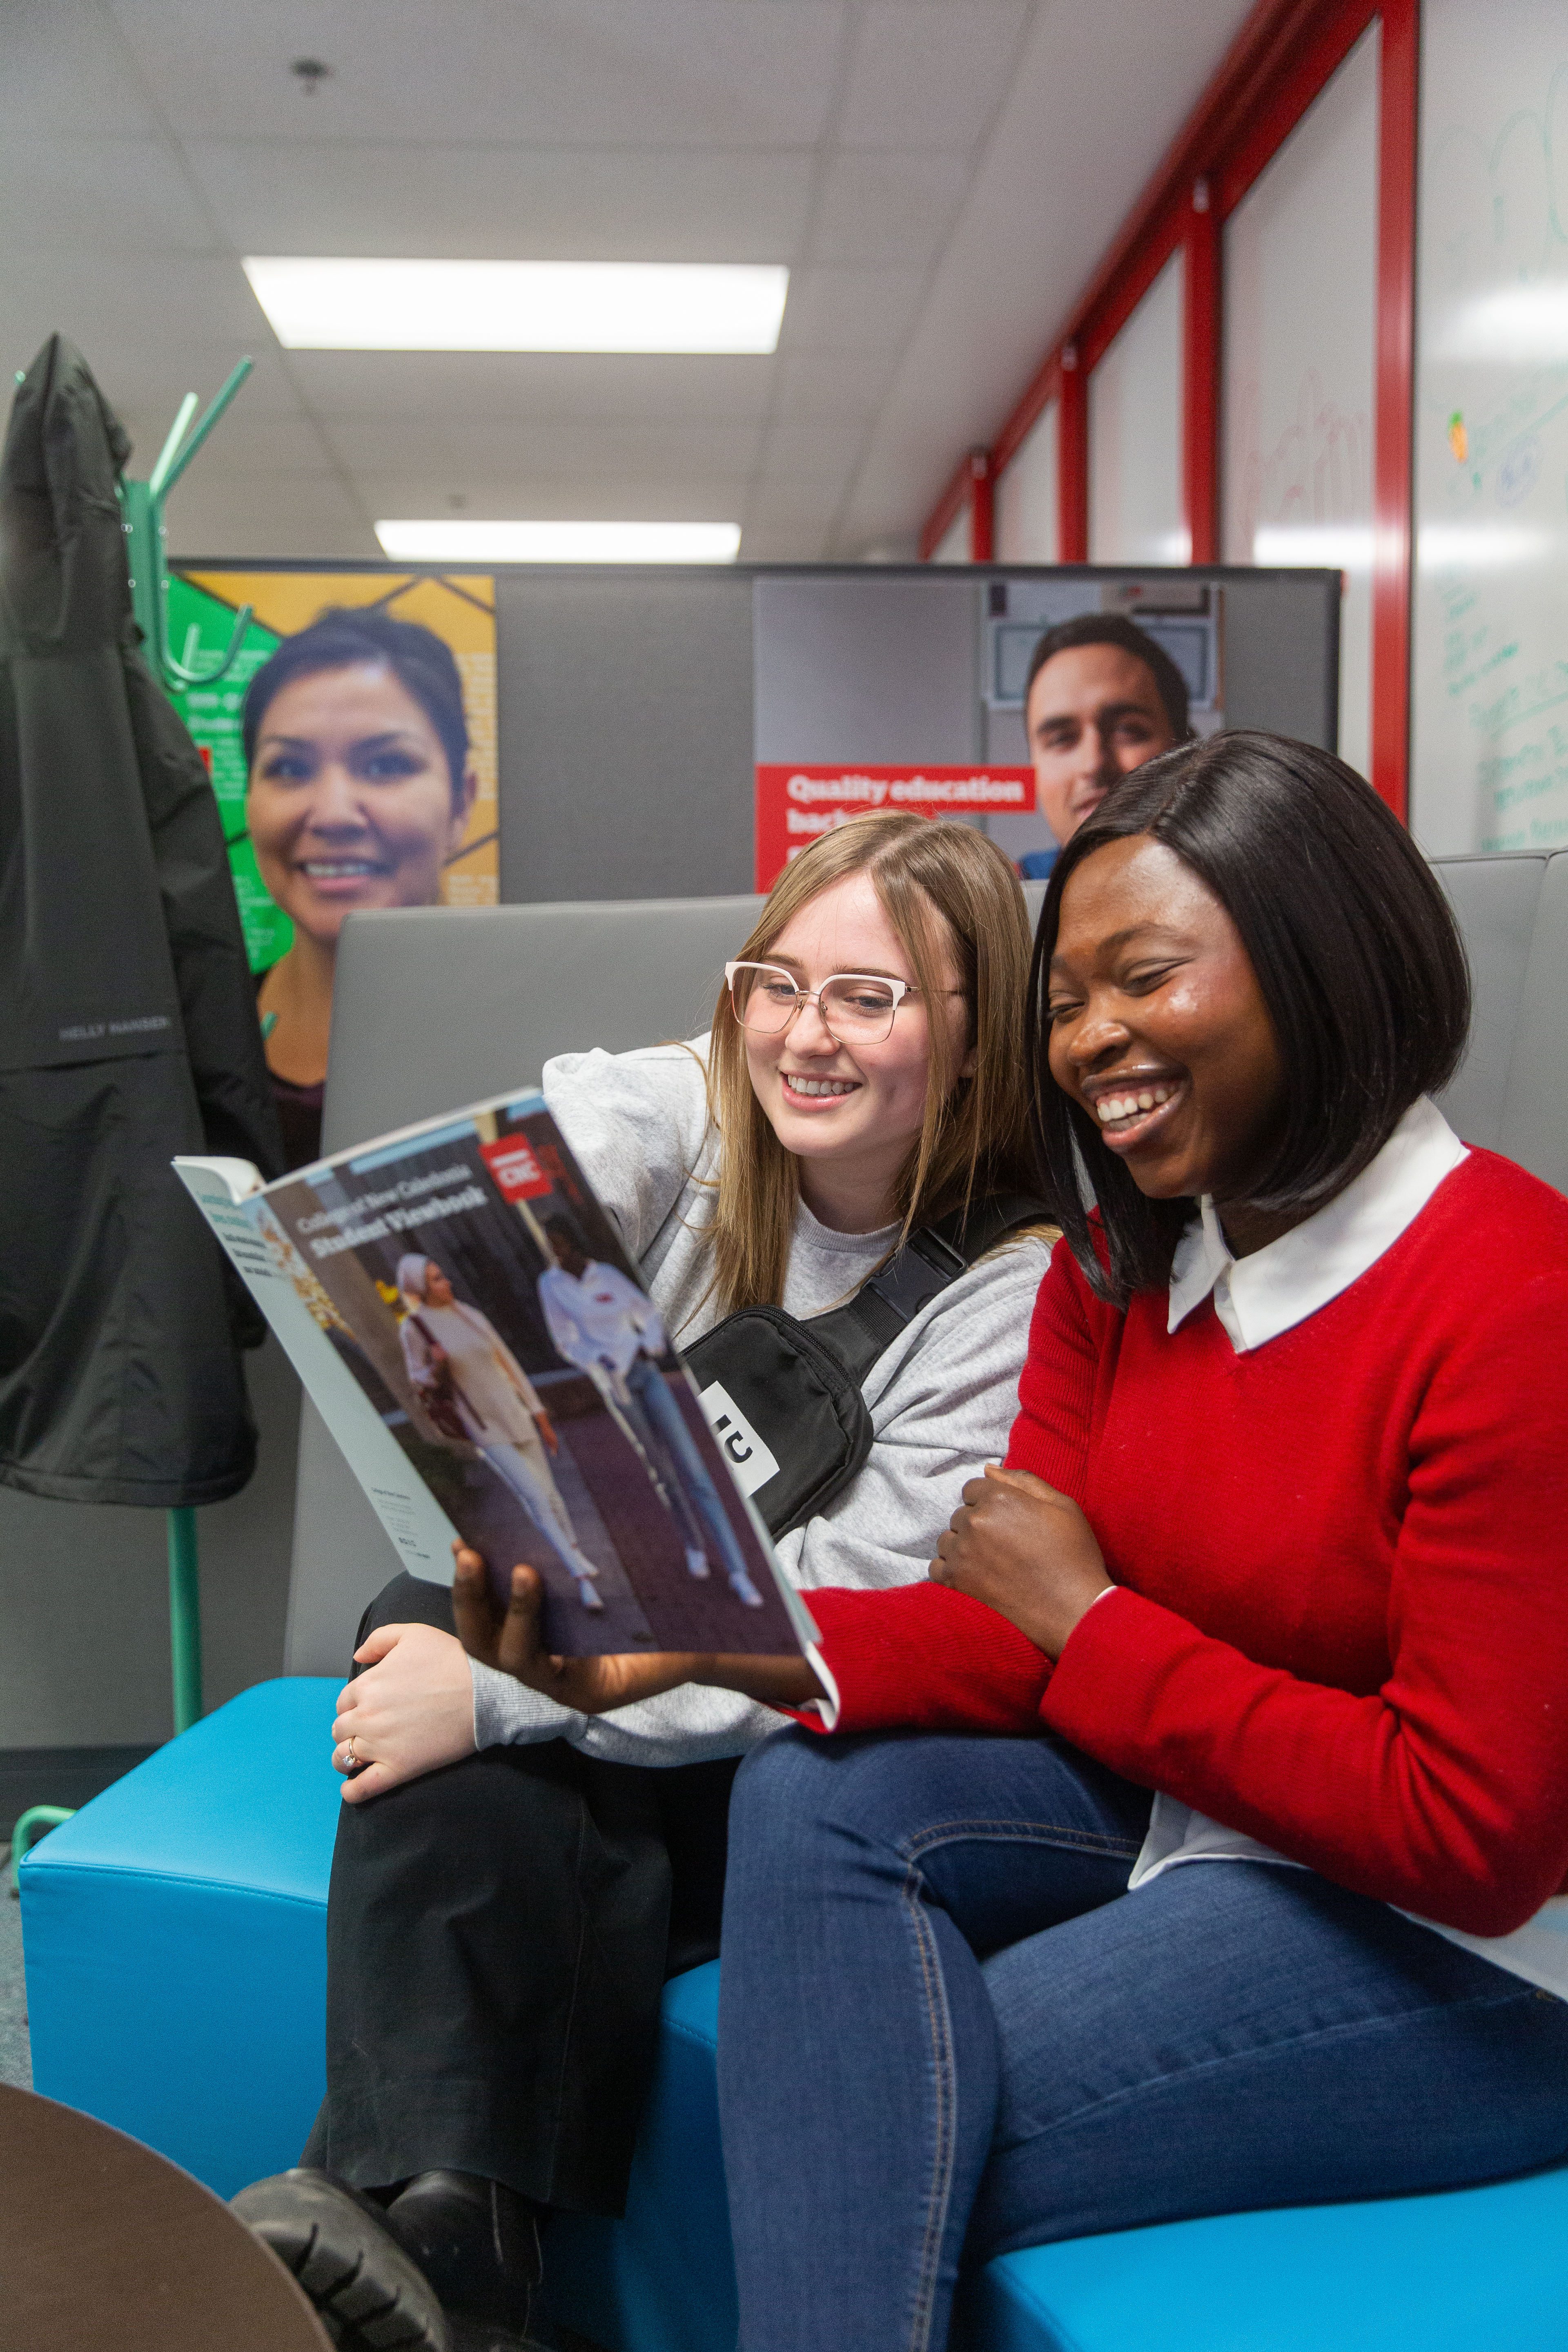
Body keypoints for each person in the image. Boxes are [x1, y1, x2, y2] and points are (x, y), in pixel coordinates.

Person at [481, 733, 1568, 2352]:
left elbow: (1467, 1834)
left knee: (865, 2143)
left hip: (1460, 1948)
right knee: (816, 1790)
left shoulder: (1512, 1294)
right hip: (1195, 1813)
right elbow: (998, 1630)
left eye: (1149, 978)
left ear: (1324, 965)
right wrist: (647, 1643)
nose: (1094, 1040)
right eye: (1066, 1000)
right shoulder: (1122, 1271)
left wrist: (1099, 1620)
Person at [234, 812, 1056, 2348]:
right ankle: (448, 2241)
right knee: (437, 1607)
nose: (803, 1034)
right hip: (620, 1664)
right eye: (774, 980)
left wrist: (500, 1702)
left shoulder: (1010, 1288)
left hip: (790, 1741)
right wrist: (502, 1216)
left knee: (470, 1681)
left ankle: (434, 2226)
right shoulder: (695, 1109)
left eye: (867, 998)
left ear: (974, 1031)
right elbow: (554, 1152)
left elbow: (821, 1623)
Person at [244, 610, 480, 1167]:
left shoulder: (552, 1053)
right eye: (290, 769)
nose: (332, 814)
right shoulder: (193, 1050)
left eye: (386, 764)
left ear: (461, 803)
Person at [537, 1216, 765, 1607]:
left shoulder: (605, 1275)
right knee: (662, 1472)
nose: (555, 1251)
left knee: (694, 1470)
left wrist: (650, 1345)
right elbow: (565, 1341)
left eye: (559, 1243)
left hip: (647, 1376)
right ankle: (694, 1546)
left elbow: (647, 1313)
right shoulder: (551, 1285)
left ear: (572, 1244)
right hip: (618, 1387)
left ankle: (739, 1572)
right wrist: (600, 1359)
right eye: (549, 1245)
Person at [395, 1252, 604, 1614]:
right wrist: (437, 1365)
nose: (446, 1283)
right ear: (419, 1288)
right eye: (436, 1280)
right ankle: (582, 1578)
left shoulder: (471, 1316)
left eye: (443, 1276)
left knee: (553, 1496)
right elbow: (419, 1382)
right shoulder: (415, 1328)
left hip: (516, 1415)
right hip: (483, 1426)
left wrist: (539, 1414)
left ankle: (576, 1554)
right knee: (537, 1499)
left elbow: (509, 1363)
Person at [1015, 611, 1188, 880]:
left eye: (1127, 730)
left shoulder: (1246, 900)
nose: (1093, 763)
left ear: (1187, 750)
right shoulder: (1007, 903)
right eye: (1061, 739)